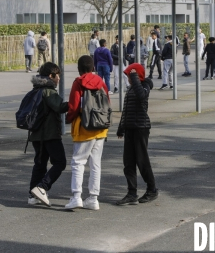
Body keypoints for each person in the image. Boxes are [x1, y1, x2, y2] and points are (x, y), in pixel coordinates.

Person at [64, 55, 110, 210]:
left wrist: (69, 119)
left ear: (79, 68)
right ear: (93, 68)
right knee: (95, 163)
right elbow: (107, 103)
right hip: (101, 127)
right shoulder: (101, 83)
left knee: (78, 161)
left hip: (84, 127)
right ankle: (93, 198)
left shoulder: (78, 83)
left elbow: (74, 106)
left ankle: (76, 196)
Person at [116, 63, 158, 206]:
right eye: (128, 75)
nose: (127, 78)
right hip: (130, 128)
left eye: (129, 75)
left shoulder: (145, 86)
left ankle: (152, 189)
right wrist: (121, 127)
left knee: (142, 160)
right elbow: (126, 110)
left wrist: (134, 77)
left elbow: (141, 96)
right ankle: (131, 193)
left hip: (141, 128)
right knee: (128, 162)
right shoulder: (131, 89)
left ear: (136, 75)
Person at [28, 62, 69, 207]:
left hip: (36, 134)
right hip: (49, 134)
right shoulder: (49, 91)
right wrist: (76, 103)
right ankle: (42, 187)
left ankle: (32, 195)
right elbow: (59, 106)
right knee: (60, 162)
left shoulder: (37, 89)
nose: (59, 79)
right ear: (51, 76)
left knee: (40, 163)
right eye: (58, 76)